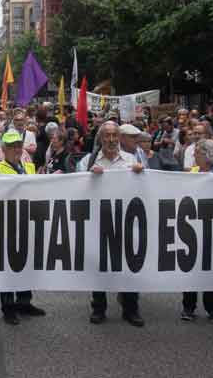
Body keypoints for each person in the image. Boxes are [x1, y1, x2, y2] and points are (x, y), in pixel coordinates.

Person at [78, 121, 145, 326]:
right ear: (100, 138)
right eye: (106, 135)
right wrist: (89, 177)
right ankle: (98, 308)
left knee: (129, 265)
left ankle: (131, 309)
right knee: (99, 266)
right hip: (98, 221)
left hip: (126, 221)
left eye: (115, 135)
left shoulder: (131, 159)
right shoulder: (88, 161)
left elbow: (145, 189)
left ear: (119, 137)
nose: (111, 139)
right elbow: (76, 188)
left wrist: (141, 174)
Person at [0, 132, 47, 325]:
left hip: (28, 221)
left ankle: (24, 302)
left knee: (26, 263)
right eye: (11, 146)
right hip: (7, 224)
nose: (16, 149)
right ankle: (8, 307)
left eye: (19, 145)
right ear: (4, 149)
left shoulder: (29, 166)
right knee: (8, 267)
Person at [181, 138, 213, 323]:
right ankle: (188, 307)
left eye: (198, 152)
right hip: (192, 227)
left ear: (208, 156)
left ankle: (212, 308)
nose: (194, 155)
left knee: (210, 270)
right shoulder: (192, 172)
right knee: (190, 269)